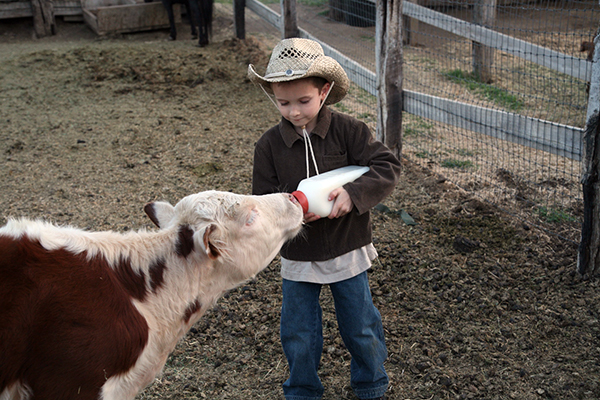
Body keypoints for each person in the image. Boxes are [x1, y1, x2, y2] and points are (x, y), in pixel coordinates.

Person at [248, 38, 401, 400]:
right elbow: (263, 200)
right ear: (273, 95)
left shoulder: (349, 131)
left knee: (360, 323)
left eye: (304, 101)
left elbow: (387, 165)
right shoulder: (268, 146)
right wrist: (291, 211)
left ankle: (371, 383)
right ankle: (301, 390)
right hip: (299, 253)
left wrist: (354, 193)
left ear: (325, 90)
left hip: (348, 246)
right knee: (298, 329)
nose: (295, 112)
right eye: (283, 103)